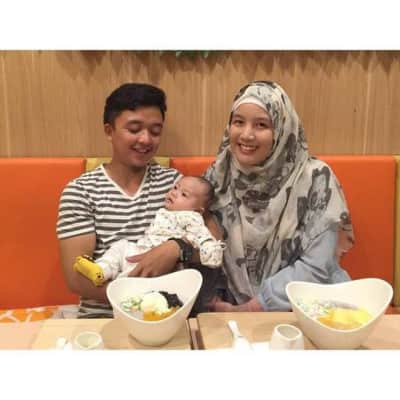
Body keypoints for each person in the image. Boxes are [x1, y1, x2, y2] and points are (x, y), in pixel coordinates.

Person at [57, 83, 221, 318]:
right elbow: (77, 279)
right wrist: (138, 300)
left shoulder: (175, 184)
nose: (145, 139)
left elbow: (214, 241)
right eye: (134, 129)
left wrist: (177, 248)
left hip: (166, 314)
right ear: (109, 131)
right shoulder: (81, 191)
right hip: (103, 316)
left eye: (155, 131)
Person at [204, 80, 354, 312]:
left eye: (261, 125)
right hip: (231, 312)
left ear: (282, 130)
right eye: (238, 122)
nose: (246, 134)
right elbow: (203, 245)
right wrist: (214, 301)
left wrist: (253, 308)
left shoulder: (316, 178)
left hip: (308, 306)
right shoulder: (218, 176)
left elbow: (317, 267)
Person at [73, 175, 224, 285]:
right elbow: (75, 283)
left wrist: (180, 249)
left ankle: (120, 288)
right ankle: (101, 270)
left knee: (133, 278)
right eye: (175, 187)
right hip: (140, 250)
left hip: (166, 268)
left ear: (198, 210)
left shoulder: (191, 217)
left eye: (184, 194)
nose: (174, 192)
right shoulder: (168, 210)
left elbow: (209, 245)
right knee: (121, 246)